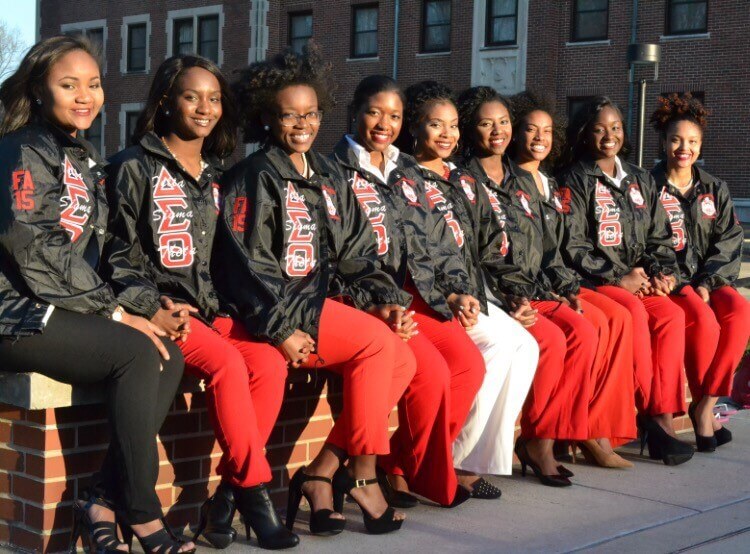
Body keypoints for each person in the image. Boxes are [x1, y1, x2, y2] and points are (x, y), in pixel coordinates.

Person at [0, 36, 192, 553]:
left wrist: (150, 305)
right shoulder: (21, 148)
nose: (85, 96)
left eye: (94, 84)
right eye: (68, 85)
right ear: (39, 90)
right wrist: (114, 313)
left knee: (166, 354)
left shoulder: (81, 154)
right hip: (13, 314)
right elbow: (32, 245)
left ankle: (101, 498)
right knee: (134, 350)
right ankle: (144, 514)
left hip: (62, 307)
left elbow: (104, 251)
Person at [104, 55, 300, 550]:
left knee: (271, 364)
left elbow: (233, 262)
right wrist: (150, 305)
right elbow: (115, 253)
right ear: (166, 102)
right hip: (167, 314)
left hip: (214, 313)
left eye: (214, 99)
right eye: (192, 96)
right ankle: (255, 496)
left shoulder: (218, 177)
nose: (205, 108)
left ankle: (226, 497)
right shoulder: (132, 167)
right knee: (230, 366)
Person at [218, 48, 416, 536]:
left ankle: (322, 472)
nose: (302, 123)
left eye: (311, 113)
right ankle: (362, 476)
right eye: (289, 115)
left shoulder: (327, 174)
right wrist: (282, 328)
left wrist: (381, 299)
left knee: (403, 359)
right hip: (277, 314)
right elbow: (245, 267)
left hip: (314, 305)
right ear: (268, 118)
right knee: (377, 346)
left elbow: (356, 250)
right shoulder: (255, 176)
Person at [331, 75, 487, 506]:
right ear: (355, 112)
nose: (384, 123)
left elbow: (433, 237)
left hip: (415, 293)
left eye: (394, 115)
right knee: (432, 373)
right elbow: (340, 252)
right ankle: (405, 473)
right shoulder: (335, 171)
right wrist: (378, 302)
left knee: (469, 367)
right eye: (374, 112)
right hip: (365, 298)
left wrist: (455, 290)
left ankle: (403, 463)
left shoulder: (406, 171)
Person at [400, 80, 539, 488]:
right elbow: (415, 251)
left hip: (471, 292)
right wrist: (450, 294)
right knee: (496, 346)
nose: (447, 134)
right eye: (436, 125)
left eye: (453, 125)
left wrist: (516, 295)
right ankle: (451, 457)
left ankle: (476, 458)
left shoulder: (462, 180)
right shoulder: (404, 179)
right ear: (415, 128)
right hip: (429, 297)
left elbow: (489, 246)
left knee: (526, 345)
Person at [457, 85, 597, 486]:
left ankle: (545, 439)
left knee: (582, 331)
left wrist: (563, 287)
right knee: (548, 341)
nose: (498, 130)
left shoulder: (522, 182)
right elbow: (477, 254)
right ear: (472, 129)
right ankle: (508, 448)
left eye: (503, 121)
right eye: (487, 123)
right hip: (487, 293)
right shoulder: (466, 181)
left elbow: (545, 248)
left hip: (526, 289)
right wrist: (512, 297)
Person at [557, 96, 694, 466]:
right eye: (599, 129)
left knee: (670, 316)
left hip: (637, 279)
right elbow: (572, 244)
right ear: (584, 134)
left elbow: (658, 236)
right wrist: (619, 277)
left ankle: (662, 417)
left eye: (615, 127)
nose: (608, 136)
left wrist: (659, 274)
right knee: (632, 311)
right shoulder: (573, 179)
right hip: (594, 281)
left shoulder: (640, 178)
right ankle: (650, 415)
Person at [507, 91, 636, 467]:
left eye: (547, 131)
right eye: (531, 130)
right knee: (590, 325)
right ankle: (557, 435)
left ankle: (590, 430)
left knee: (615, 317)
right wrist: (560, 291)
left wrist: (563, 289)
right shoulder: (508, 183)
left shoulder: (546, 182)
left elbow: (554, 249)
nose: (539, 138)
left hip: (554, 283)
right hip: (523, 290)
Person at [650, 93, 750, 451]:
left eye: (692, 141)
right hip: (673, 280)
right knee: (705, 323)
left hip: (710, 277)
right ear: (663, 141)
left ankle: (705, 403)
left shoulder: (714, 188)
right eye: (676, 140)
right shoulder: (647, 188)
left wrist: (709, 281)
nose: (683, 148)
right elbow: (647, 240)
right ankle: (702, 419)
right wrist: (675, 278)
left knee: (740, 313)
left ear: (700, 145)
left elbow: (729, 239)